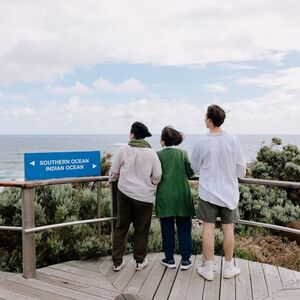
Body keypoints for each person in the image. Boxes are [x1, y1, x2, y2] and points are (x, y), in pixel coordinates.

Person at [190, 104, 246, 281]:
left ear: (209, 119)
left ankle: (208, 269)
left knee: (208, 230)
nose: (203, 119)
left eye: (205, 116)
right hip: (229, 194)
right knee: (228, 230)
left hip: (208, 193)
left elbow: (194, 167)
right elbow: (241, 170)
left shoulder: (201, 142)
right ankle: (229, 267)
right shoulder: (233, 140)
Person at [109, 121, 162, 271]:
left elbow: (113, 174)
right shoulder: (152, 153)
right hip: (144, 198)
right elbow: (157, 176)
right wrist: (149, 185)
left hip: (124, 194)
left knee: (121, 228)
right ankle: (139, 261)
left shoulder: (123, 150)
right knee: (141, 229)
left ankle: (117, 262)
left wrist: (114, 180)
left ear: (132, 134)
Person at [156, 126, 195, 270]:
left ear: (162, 140)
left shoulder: (158, 155)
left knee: (167, 228)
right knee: (184, 227)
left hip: (165, 196)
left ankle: (169, 258)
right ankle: (185, 260)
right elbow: (190, 173)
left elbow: (155, 174)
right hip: (182, 195)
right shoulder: (183, 153)